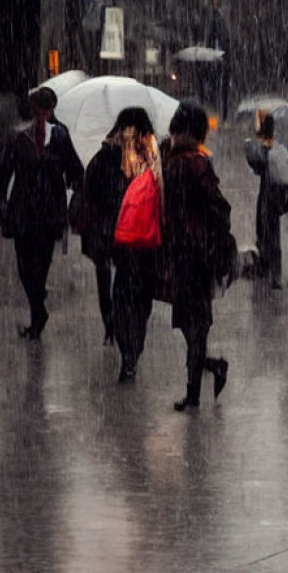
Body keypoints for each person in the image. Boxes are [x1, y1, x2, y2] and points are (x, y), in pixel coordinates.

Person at [76, 108, 161, 381]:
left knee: (124, 295)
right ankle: (129, 349)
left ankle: (125, 345)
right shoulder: (134, 159)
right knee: (134, 298)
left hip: (121, 240)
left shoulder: (138, 159)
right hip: (132, 241)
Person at [0, 87, 83, 339]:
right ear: (32, 110)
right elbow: (3, 174)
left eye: (45, 109)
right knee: (24, 267)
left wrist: (78, 189)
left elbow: (75, 169)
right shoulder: (18, 138)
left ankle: (36, 316)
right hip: (22, 211)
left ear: (50, 110)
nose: (41, 114)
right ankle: (38, 310)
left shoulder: (60, 137)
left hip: (49, 213)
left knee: (41, 266)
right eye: (37, 109)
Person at [161, 102, 234, 411]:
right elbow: (220, 208)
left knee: (194, 324)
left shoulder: (175, 161)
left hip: (184, 254)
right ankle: (209, 371)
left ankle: (194, 392)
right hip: (196, 253)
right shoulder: (192, 162)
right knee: (196, 323)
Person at [244, 111, 288, 288]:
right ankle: (271, 270)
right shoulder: (278, 148)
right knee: (268, 230)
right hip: (273, 193)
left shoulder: (267, 149)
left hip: (270, 193)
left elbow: (258, 165)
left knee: (268, 230)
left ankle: (273, 273)